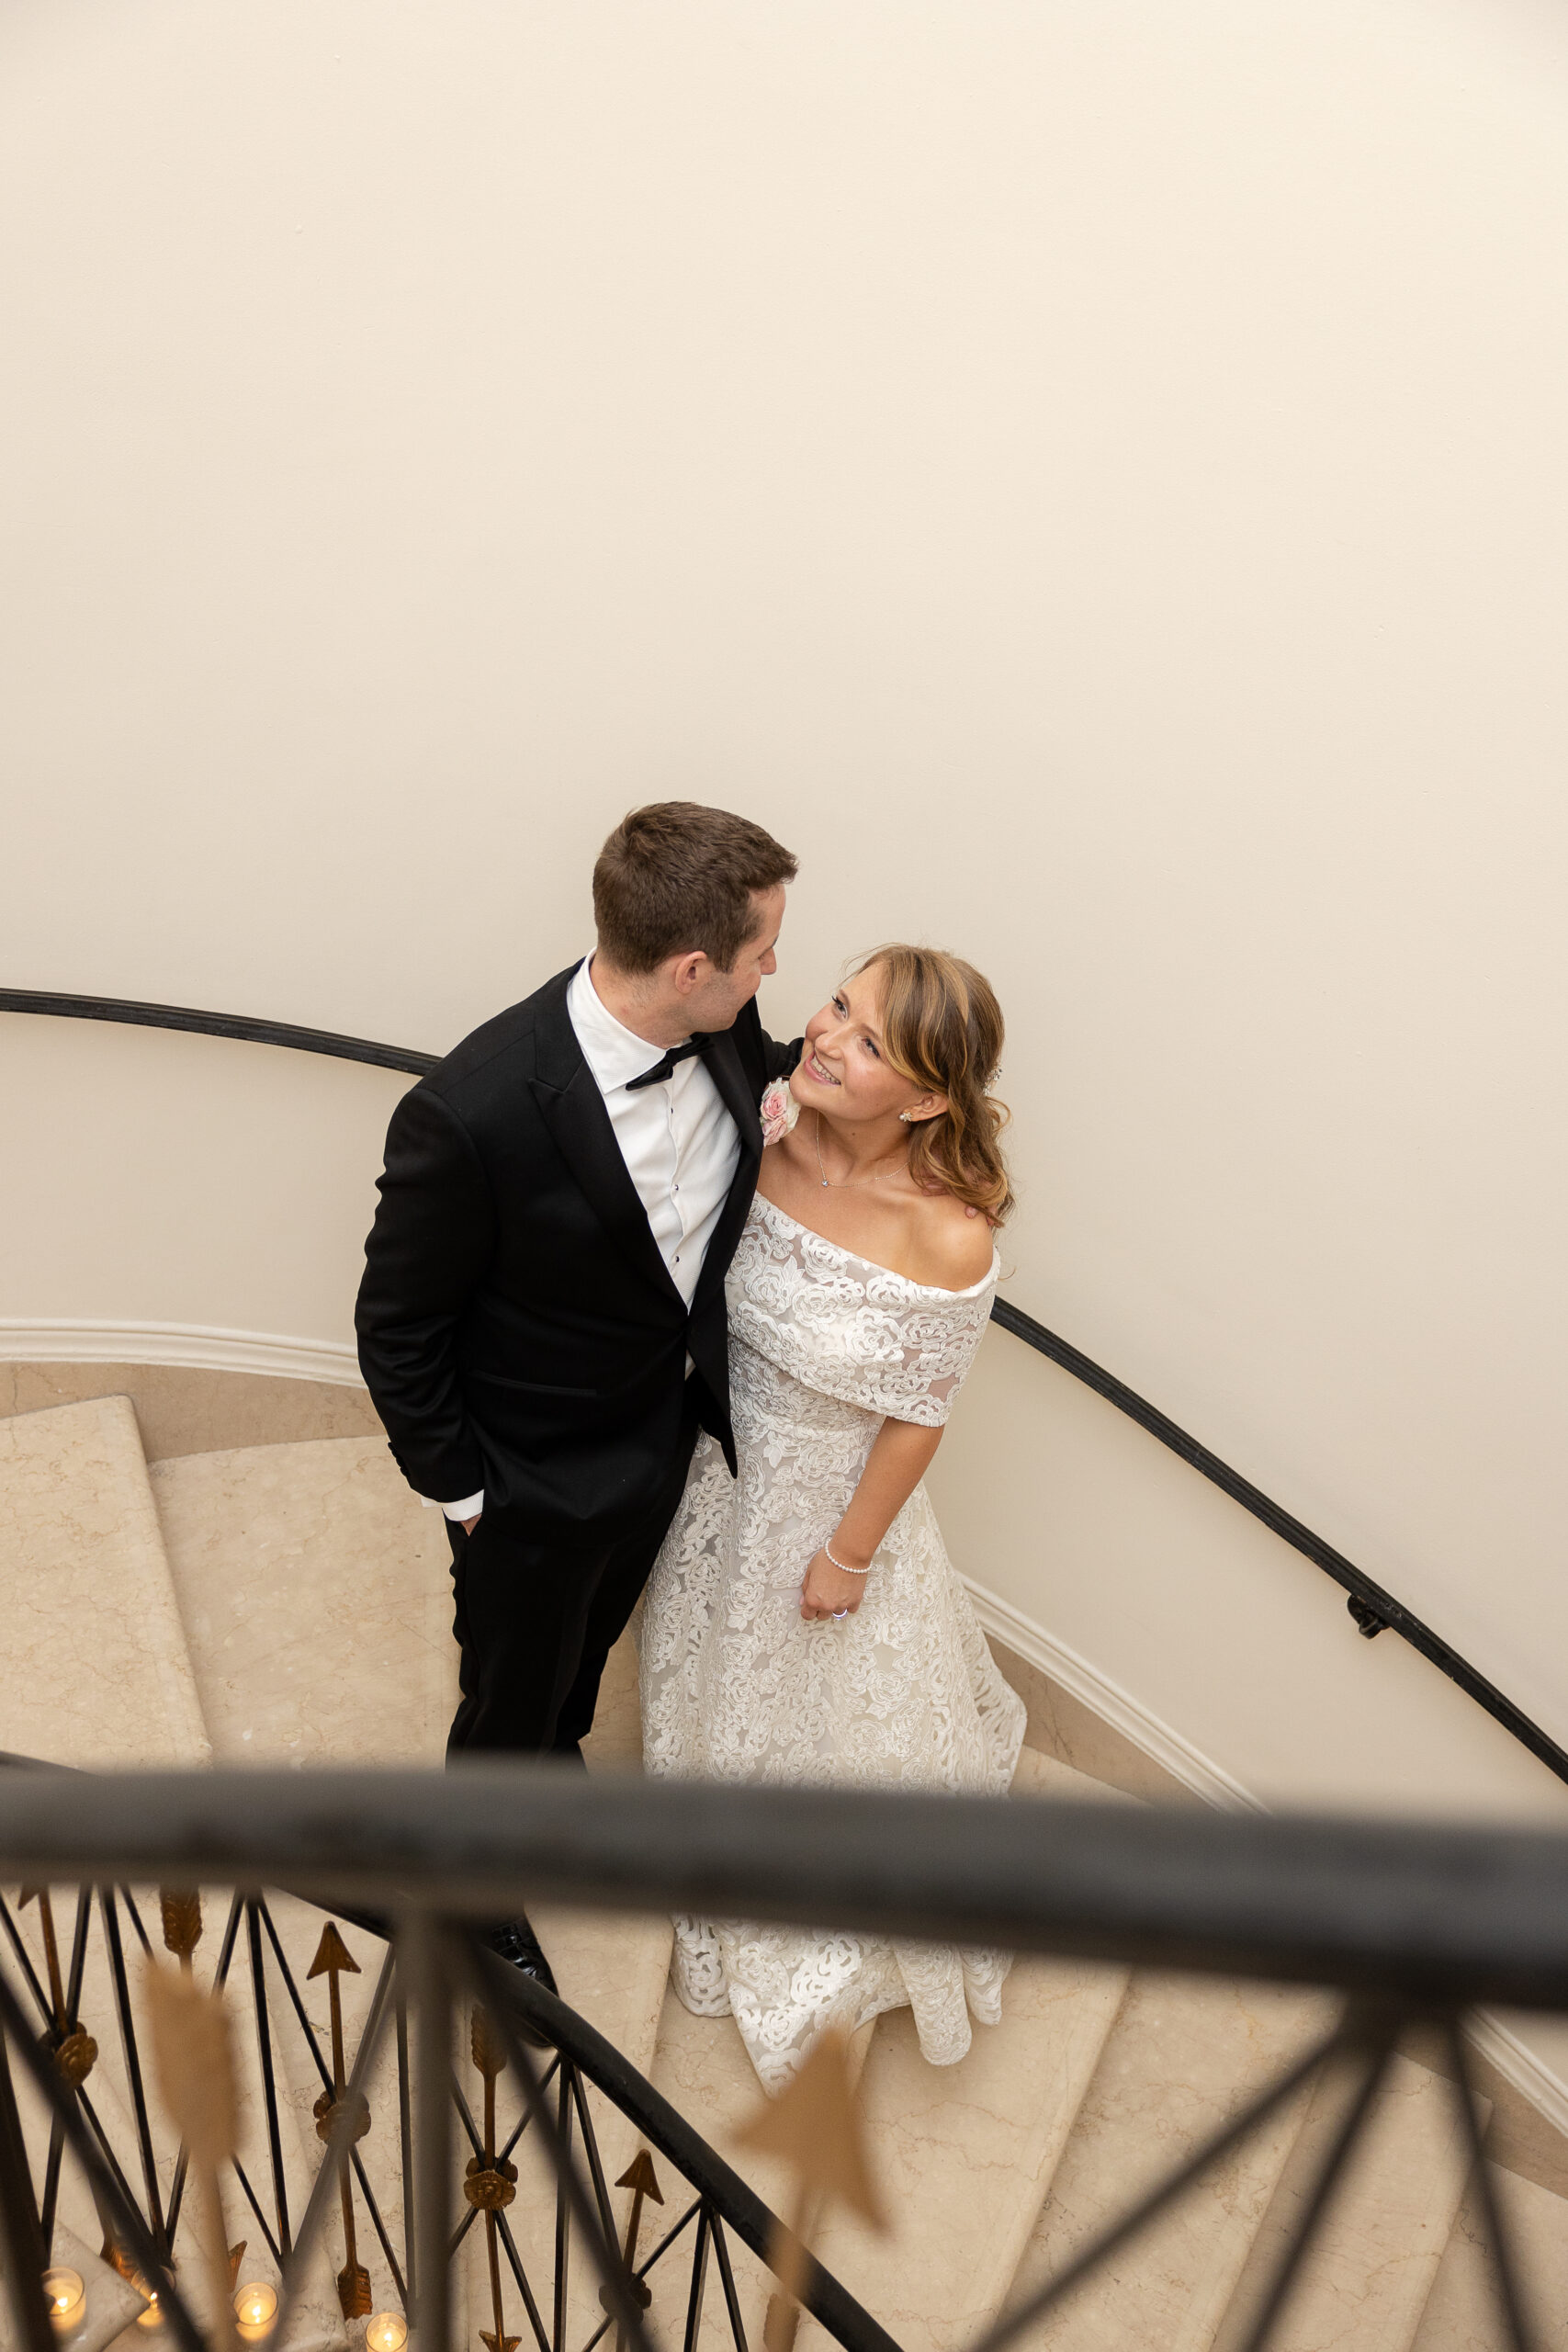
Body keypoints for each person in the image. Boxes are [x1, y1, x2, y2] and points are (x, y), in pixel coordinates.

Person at [355, 802, 801, 1990]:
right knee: (503, 1692)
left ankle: (557, 1759)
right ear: (692, 967)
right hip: (527, 1471)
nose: (776, 973)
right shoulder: (473, 1110)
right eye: (764, 953)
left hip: (657, 1427)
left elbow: (759, 1099)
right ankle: (472, 1898)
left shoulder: (721, 1022)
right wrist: (462, 1494)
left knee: (589, 1638)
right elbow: (397, 1327)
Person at [639, 944, 1026, 2088]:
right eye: (839, 1007)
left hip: (827, 1500)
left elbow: (917, 1416)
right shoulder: (764, 1116)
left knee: (821, 1716)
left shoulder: (950, 1232)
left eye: (868, 1045)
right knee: (712, 1671)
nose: (825, 1038)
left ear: (928, 1098)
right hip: (718, 1469)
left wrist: (849, 1554)